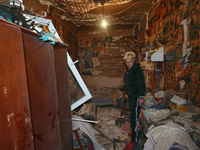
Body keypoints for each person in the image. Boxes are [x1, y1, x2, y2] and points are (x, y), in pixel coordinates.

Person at [123, 52, 146, 148]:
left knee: (135, 117)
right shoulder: (128, 69)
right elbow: (128, 83)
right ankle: (134, 134)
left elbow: (141, 83)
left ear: (134, 60)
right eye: (127, 62)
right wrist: (127, 93)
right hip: (131, 96)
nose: (129, 64)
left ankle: (135, 140)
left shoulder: (137, 70)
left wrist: (141, 97)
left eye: (130, 62)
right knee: (132, 116)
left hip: (136, 96)